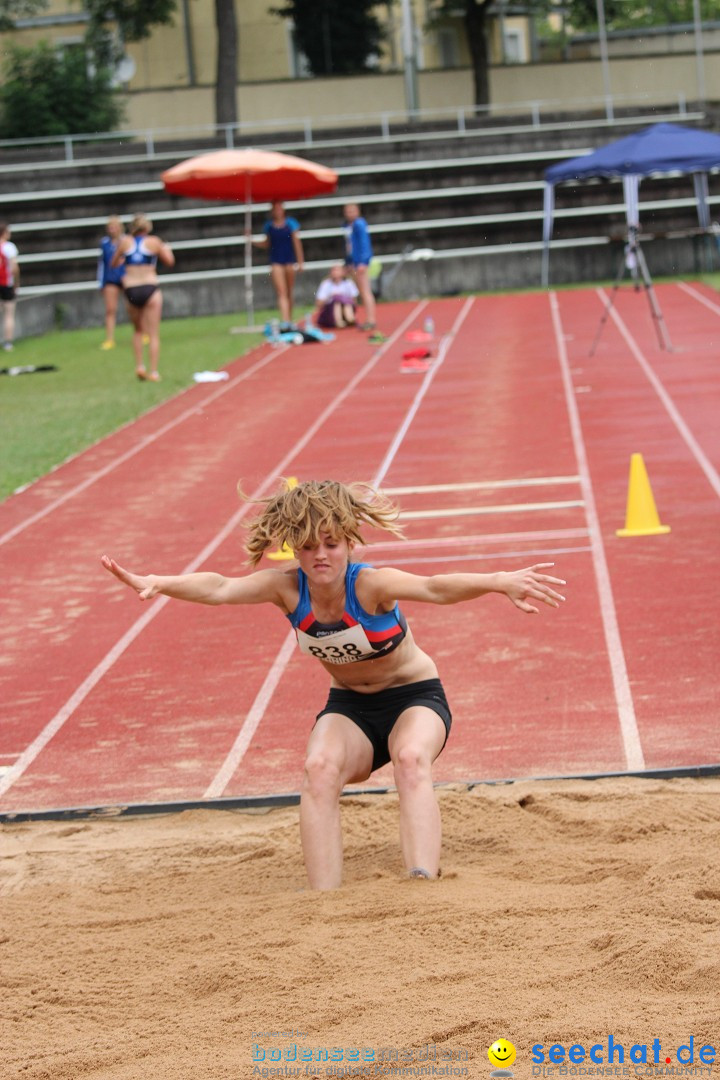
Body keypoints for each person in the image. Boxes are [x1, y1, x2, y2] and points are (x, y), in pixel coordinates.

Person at [101, 479, 566, 891]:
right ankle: (323, 899)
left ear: (349, 544)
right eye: (307, 546)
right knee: (319, 768)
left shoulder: (372, 585)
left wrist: (498, 580)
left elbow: (437, 587)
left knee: (409, 758)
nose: (320, 555)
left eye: (331, 544)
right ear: (293, 549)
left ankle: (423, 882)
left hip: (414, 698)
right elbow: (220, 588)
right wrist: (160, 582)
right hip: (351, 708)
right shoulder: (285, 589)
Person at [111, 214, 174, 382]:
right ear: (147, 227)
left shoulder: (125, 242)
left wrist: (126, 260)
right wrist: (166, 249)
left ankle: (140, 366)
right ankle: (154, 371)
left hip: (131, 288)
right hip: (150, 287)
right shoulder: (154, 241)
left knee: (138, 331)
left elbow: (113, 263)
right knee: (153, 334)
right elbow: (169, 261)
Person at [250, 201, 304, 329]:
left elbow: (297, 243)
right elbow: (267, 243)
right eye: (275, 209)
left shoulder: (291, 223)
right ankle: (285, 320)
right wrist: (251, 240)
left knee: (289, 292)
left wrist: (300, 261)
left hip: (289, 261)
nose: (277, 211)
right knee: (281, 292)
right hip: (276, 262)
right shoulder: (269, 226)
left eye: (279, 208)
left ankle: (290, 319)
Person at [343, 203, 376, 332]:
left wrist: (363, 261)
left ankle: (371, 319)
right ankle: (367, 318)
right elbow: (349, 247)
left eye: (352, 211)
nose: (350, 213)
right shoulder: (347, 226)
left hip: (360, 262)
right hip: (354, 261)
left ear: (358, 211)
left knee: (365, 291)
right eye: (347, 211)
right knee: (361, 292)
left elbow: (364, 244)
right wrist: (349, 262)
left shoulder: (359, 224)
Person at [97, 216, 126, 351]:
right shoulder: (104, 243)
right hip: (110, 279)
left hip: (125, 278)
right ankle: (109, 339)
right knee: (110, 310)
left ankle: (142, 334)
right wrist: (101, 282)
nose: (112, 229)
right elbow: (102, 264)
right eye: (110, 227)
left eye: (114, 226)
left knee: (135, 308)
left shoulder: (126, 241)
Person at [314, 263, 359, 329]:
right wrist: (330, 296)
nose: (335, 272)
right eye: (333, 270)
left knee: (345, 301)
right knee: (337, 301)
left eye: (337, 270)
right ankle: (338, 321)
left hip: (346, 308)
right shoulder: (326, 284)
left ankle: (350, 318)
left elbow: (354, 302)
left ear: (343, 272)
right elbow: (319, 304)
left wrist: (343, 299)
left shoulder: (348, 283)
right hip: (330, 312)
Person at [0, 223, 20, 351]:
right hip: (6, 283)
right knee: (9, 314)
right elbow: (14, 267)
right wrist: (16, 283)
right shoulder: (9, 247)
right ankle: (8, 343)